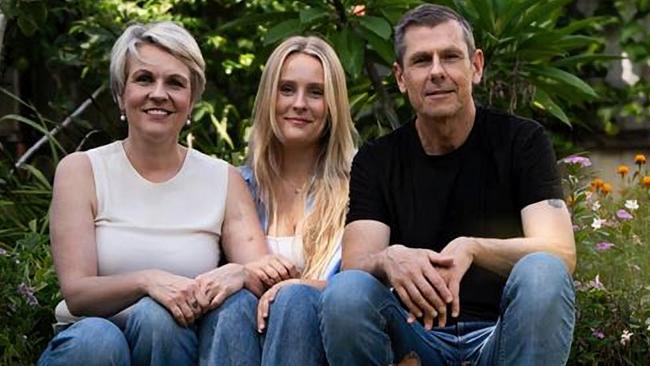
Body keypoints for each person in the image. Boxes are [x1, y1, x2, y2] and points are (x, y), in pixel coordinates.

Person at [320, 4, 576, 366]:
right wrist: (390, 257)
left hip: (501, 337)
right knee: (347, 292)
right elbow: (356, 265)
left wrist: (473, 248)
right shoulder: (377, 160)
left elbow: (560, 253)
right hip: (413, 341)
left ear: (476, 66)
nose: (437, 71)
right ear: (400, 77)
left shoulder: (522, 141)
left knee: (544, 271)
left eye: (451, 57)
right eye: (422, 60)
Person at [38, 21, 291, 366]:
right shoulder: (81, 171)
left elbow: (258, 274)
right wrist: (147, 281)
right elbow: (78, 293)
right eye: (144, 79)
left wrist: (242, 273)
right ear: (120, 94)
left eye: (175, 83)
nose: (159, 93)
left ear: (191, 101)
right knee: (98, 339)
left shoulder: (223, 179)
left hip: (174, 345)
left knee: (159, 320)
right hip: (91, 346)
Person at [230, 35, 356, 365]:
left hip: (322, 346)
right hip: (241, 341)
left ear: (333, 105)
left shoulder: (360, 187)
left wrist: (301, 286)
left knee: (295, 300)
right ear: (269, 96)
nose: (299, 103)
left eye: (315, 92)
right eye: (287, 89)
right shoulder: (235, 185)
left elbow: (366, 288)